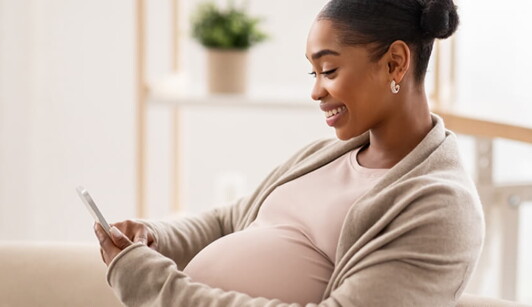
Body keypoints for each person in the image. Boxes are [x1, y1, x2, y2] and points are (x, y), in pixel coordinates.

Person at [94, 0, 484, 306]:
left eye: (329, 70)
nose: (316, 91)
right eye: (312, 74)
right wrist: (153, 238)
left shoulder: (440, 206)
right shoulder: (322, 156)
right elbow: (228, 221)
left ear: (395, 63)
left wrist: (152, 286)